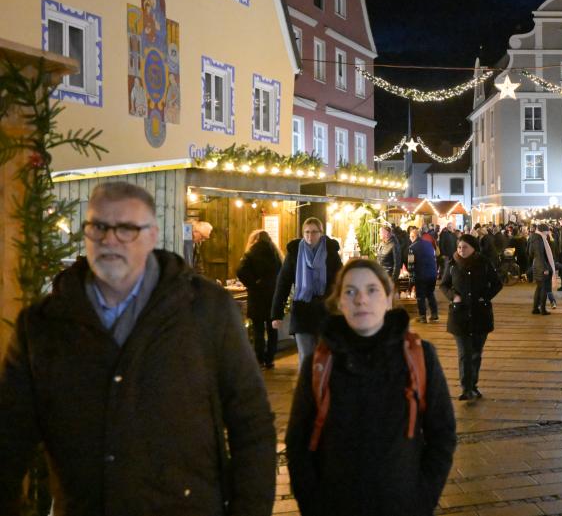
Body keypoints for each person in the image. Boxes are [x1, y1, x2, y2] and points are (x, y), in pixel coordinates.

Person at [0, 181, 276, 515]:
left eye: (126, 228)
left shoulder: (205, 310)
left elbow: (252, 422)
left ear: (151, 235)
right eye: (98, 227)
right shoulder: (44, 326)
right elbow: (8, 438)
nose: (110, 239)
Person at [285, 259, 456, 516]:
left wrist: (422, 500)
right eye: (350, 291)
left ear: (388, 299)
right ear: (339, 302)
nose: (361, 300)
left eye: (372, 290)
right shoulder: (320, 363)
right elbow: (298, 441)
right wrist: (313, 505)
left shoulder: (419, 357)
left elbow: (442, 433)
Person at [440, 233, 502, 400]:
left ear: (473, 248)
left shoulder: (484, 263)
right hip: (459, 315)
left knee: (476, 353)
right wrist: (453, 296)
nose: (461, 250)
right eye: (459, 247)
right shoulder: (452, 263)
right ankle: (466, 388)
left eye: (465, 247)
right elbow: (444, 285)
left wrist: (485, 297)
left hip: (480, 313)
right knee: (464, 353)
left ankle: (473, 385)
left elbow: (497, 283)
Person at [272, 217, 342, 365]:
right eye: (307, 232)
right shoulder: (295, 253)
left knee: (324, 355)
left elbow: (340, 281)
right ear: (303, 233)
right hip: (302, 310)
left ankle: (321, 380)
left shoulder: (330, 252)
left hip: (325, 310)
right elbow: (283, 283)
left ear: (321, 233)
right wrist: (276, 314)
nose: (310, 236)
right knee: (305, 356)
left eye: (314, 232)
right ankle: (306, 380)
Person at [237, 229, 283, 368]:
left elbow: (240, 271)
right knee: (272, 329)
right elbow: (282, 273)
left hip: (257, 296)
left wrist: (253, 283)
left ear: (254, 239)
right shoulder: (276, 253)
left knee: (258, 330)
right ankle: (270, 359)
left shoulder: (251, 253)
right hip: (273, 296)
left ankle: (259, 359)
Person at [412, 229, 440, 323]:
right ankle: (434, 314)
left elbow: (410, 265)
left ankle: (422, 316)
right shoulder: (429, 244)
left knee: (420, 296)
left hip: (420, 274)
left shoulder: (412, 247)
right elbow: (434, 256)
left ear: (413, 236)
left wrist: (411, 278)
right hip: (432, 273)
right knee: (430, 293)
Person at [528, 224, 553, 315]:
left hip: (536, 264)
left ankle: (535, 308)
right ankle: (543, 309)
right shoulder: (540, 239)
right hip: (541, 266)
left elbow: (530, 253)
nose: (548, 233)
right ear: (543, 231)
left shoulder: (532, 238)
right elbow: (540, 255)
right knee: (543, 288)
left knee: (539, 287)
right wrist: (545, 268)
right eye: (547, 231)